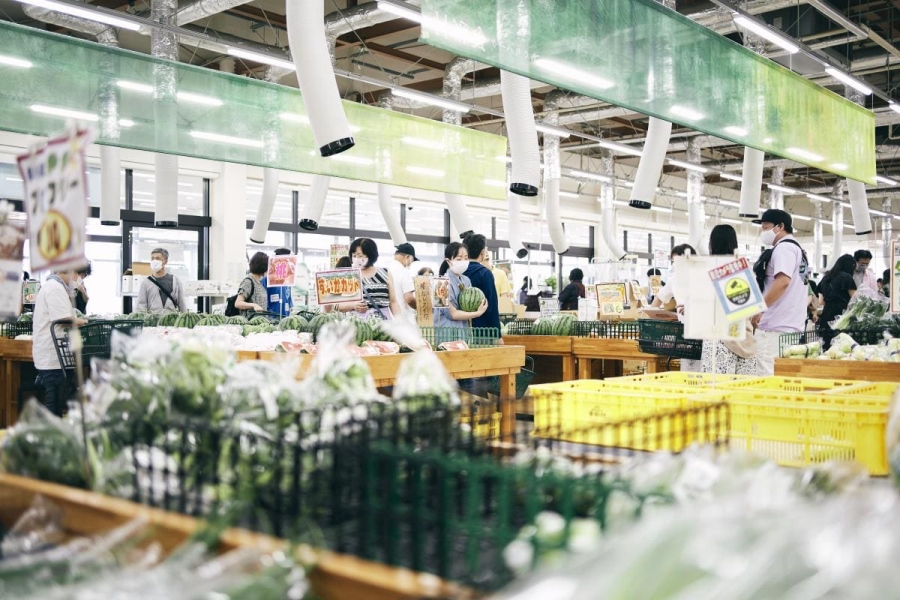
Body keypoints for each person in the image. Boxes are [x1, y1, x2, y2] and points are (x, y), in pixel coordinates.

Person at [751, 209, 809, 376]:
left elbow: (783, 281)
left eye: (766, 227)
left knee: (766, 375)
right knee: (783, 375)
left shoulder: (783, 248)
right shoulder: (798, 250)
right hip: (791, 325)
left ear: (780, 226)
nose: (763, 231)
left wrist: (760, 308)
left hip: (775, 326)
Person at [700, 225, 757, 375]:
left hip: (718, 340)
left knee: (716, 393)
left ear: (712, 243)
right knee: (743, 392)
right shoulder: (746, 269)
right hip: (745, 338)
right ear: (734, 243)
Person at [32, 269, 86, 416]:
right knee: (54, 401)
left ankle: (53, 434)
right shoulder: (54, 287)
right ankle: (51, 436)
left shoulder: (56, 286)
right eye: (77, 275)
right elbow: (63, 319)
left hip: (54, 354)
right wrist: (84, 322)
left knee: (56, 400)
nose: (78, 279)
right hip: (52, 356)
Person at [337, 238, 402, 319]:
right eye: (354, 256)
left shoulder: (385, 273)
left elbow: (393, 302)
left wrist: (400, 322)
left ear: (371, 255)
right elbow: (337, 305)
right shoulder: (348, 275)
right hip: (358, 325)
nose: (356, 259)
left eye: (360, 256)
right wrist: (353, 305)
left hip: (383, 324)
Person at [434, 242, 488, 336]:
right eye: (459, 259)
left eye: (466, 258)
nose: (463, 261)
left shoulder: (466, 280)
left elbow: (469, 307)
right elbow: (453, 314)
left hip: (463, 332)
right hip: (446, 334)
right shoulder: (440, 284)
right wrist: (478, 313)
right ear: (448, 261)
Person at [463, 234, 502, 339]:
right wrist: (497, 335)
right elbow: (492, 305)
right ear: (482, 252)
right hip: (482, 331)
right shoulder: (485, 273)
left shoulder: (458, 272)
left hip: (460, 329)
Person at [816, 254, 857, 348]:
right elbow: (855, 299)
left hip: (826, 314)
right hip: (841, 314)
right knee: (842, 344)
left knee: (827, 344)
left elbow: (821, 301)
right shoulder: (847, 277)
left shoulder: (826, 277)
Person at [137, 247, 187, 314]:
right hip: (152, 322)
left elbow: (182, 304)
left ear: (165, 261)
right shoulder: (145, 283)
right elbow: (141, 306)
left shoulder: (175, 281)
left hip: (171, 321)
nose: (154, 261)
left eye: (157, 258)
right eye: (152, 258)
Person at [652, 244, 696, 310]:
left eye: (677, 260)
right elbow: (660, 297)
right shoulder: (674, 279)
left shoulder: (700, 277)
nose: (674, 264)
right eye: (673, 261)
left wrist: (690, 308)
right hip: (682, 319)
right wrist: (648, 313)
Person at [234, 251, 270, 318]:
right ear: (263, 267)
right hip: (251, 323)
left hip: (261, 323)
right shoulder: (248, 282)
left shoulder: (259, 282)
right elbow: (238, 303)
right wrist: (254, 305)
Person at [388, 243, 418, 323]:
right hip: (403, 319)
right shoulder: (404, 272)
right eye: (412, 260)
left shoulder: (386, 270)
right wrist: (421, 308)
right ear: (407, 257)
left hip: (389, 318)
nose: (411, 263)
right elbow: (409, 299)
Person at [261, 248, 294, 317]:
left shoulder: (288, 280)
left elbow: (288, 299)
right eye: (288, 260)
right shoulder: (267, 280)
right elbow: (261, 301)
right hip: (271, 318)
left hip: (285, 318)